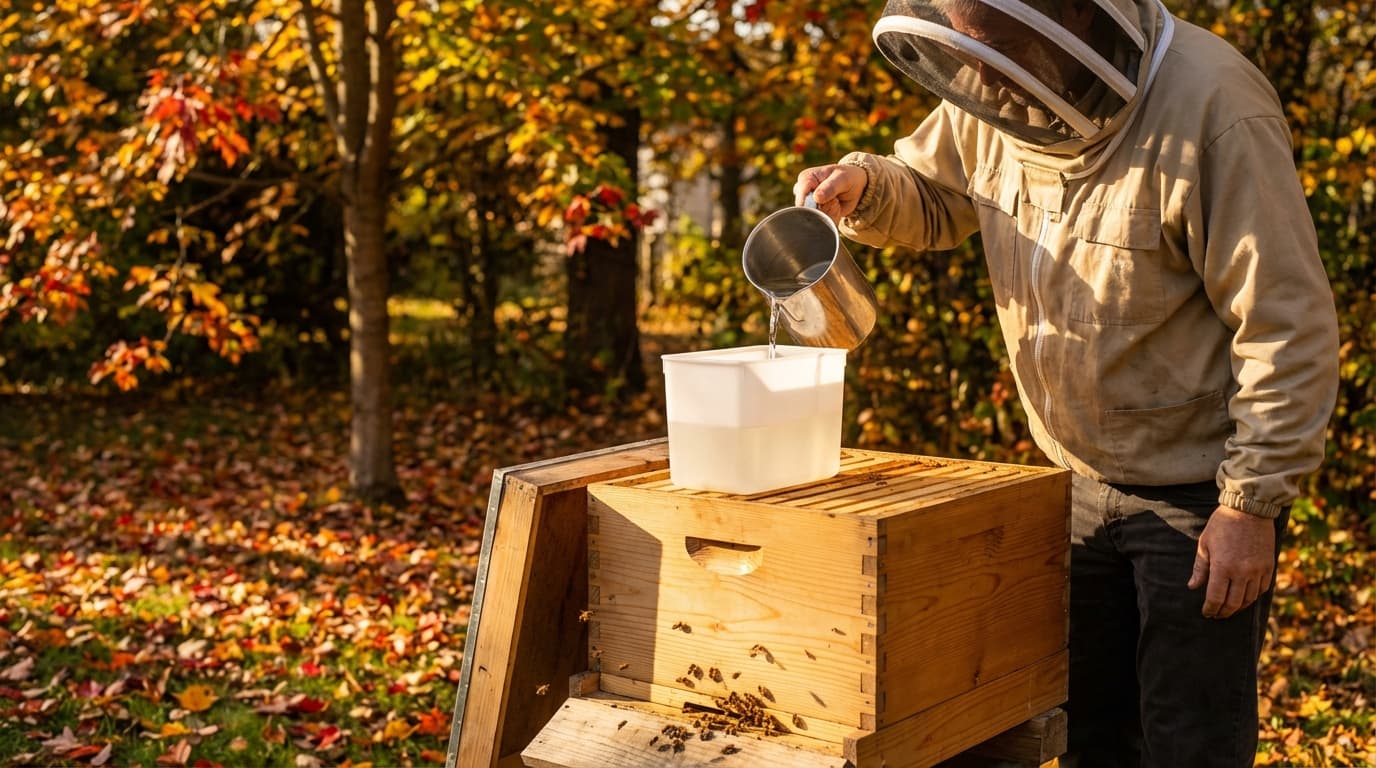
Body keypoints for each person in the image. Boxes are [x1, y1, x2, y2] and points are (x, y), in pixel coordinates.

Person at [794, 0, 1339, 765]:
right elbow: (939, 196)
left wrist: (1251, 502)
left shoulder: (1215, 108)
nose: (981, 77)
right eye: (970, 50)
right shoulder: (997, 81)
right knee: (1087, 735)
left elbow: (1285, 323)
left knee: (1190, 743)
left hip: (1197, 497)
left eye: (997, 49)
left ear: (1074, 19)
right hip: (1068, 479)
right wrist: (866, 187)